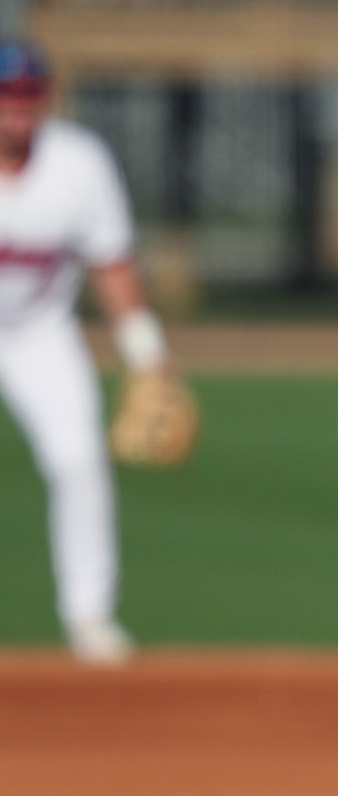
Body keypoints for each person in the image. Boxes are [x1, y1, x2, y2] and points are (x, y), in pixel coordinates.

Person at [0, 39, 180, 665]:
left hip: (38, 334)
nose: (15, 114)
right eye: (5, 101)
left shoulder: (79, 164)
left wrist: (147, 357)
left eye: (27, 100)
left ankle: (89, 616)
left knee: (78, 459)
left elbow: (114, 268)